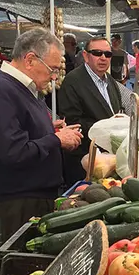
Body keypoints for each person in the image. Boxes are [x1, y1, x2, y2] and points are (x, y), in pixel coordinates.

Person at [0, 28, 83, 240]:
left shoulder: (23, 88)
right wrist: (55, 139)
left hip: (34, 193)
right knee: (24, 264)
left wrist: (48, 129)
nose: (53, 77)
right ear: (30, 59)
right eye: (52, 69)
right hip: (21, 198)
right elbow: (12, 151)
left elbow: (20, 131)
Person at [58, 36, 127, 184]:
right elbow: (73, 122)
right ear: (85, 55)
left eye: (107, 54)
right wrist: (109, 128)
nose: (103, 58)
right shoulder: (73, 81)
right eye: (97, 53)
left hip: (107, 160)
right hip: (84, 162)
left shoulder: (109, 80)